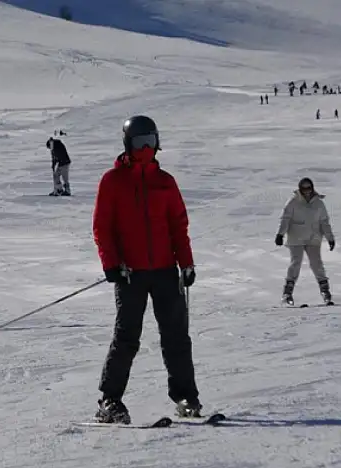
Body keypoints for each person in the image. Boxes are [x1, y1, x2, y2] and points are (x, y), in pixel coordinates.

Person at [91, 115, 200, 424]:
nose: (146, 148)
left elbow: (179, 226)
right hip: (130, 273)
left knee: (177, 337)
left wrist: (187, 262)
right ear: (128, 144)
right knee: (126, 337)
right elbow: (102, 227)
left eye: (151, 141)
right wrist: (111, 263)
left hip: (166, 271)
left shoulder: (165, 181)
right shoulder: (112, 182)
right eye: (140, 142)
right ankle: (109, 401)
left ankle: (186, 397)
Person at [275, 177, 335, 306]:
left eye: (309, 188)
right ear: (300, 189)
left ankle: (325, 292)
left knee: (317, 264)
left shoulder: (318, 203)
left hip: (313, 238)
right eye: (304, 188)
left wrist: (330, 238)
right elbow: (286, 218)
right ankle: (287, 293)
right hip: (296, 237)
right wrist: (280, 234)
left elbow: (324, 222)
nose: (306, 191)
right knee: (295, 263)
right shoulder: (293, 202)